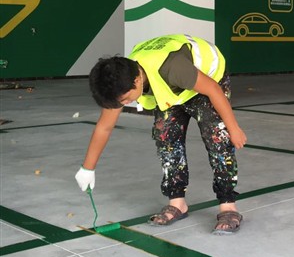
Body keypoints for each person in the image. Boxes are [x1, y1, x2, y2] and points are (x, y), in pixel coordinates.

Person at [74, 34, 248, 234]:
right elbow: (104, 127)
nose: (123, 104)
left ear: (137, 80)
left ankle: (228, 206)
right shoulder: (119, 83)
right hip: (174, 86)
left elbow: (213, 90)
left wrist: (233, 128)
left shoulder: (171, 67)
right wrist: (88, 168)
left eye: (125, 99)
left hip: (207, 81)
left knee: (217, 138)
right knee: (166, 138)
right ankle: (177, 203)